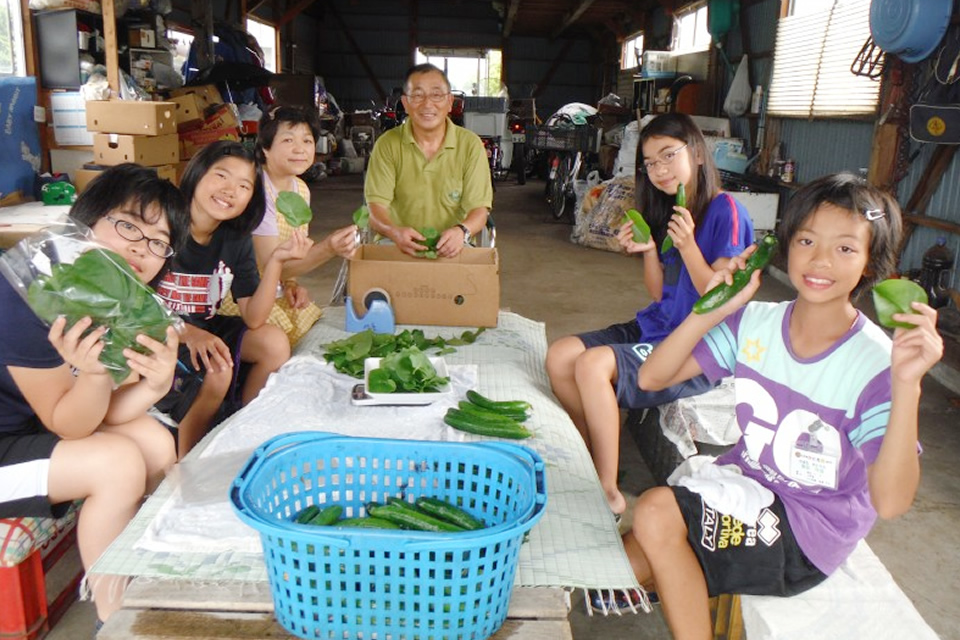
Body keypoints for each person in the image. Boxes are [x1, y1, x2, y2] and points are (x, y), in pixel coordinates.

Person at [622, 173, 942, 632]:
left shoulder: (877, 366)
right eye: (807, 240)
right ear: (786, 245)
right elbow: (653, 377)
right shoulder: (755, 323)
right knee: (630, 557)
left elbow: (890, 503)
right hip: (747, 489)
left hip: (807, 533)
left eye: (846, 248)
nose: (820, 260)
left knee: (655, 512)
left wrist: (908, 386)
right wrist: (712, 308)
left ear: (872, 265)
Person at [0, 164, 189, 627]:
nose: (140, 250)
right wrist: (94, 371)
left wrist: (155, 384)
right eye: (128, 225)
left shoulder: (116, 305)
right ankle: (116, 617)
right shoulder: (23, 296)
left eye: (158, 242)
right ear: (86, 219)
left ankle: (137, 572)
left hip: (33, 428)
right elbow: (71, 423)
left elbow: (101, 411)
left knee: (155, 443)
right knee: (116, 462)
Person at [545, 112, 754, 517]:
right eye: (650, 163)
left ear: (695, 153)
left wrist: (689, 245)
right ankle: (593, 449)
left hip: (696, 345)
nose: (658, 170)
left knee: (590, 366)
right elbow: (661, 292)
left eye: (667, 156)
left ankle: (608, 490)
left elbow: (721, 295)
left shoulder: (724, 210)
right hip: (658, 326)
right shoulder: (673, 209)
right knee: (560, 355)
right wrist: (647, 253)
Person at [154, 140, 312, 458]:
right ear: (196, 173)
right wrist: (184, 331)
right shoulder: (162, 223)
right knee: (219, 369)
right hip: (157, 328)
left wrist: (277, 262)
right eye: (221, 176)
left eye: (244, 186)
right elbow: (132, 297)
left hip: (204, 328)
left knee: (273, 342)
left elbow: (253, 316)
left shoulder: (235, 238)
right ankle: (187, 462)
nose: (230, 190)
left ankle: (241, 428)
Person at [219, 105, 357, 345]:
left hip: (273, 285)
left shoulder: (300, 189)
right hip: (239, 293)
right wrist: (329, 248)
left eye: (307, 141)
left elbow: (291, 254)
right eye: (288, 140)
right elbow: (273, 264)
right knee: (282, 337)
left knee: (311, 322)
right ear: (265, 148)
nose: (300, 150)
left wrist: (292, 284)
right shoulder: (256, 190)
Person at [364, 62, 493, 258]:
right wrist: (394, 231)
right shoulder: (387, 144)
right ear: (405, 103)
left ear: (450, 102)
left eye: (436, 95)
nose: (427, 104)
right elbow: (375, 208)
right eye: (417, 95)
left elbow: (479, 210)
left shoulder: (470, 145)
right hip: (395, 243)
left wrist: (462, 231)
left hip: (454, 246)